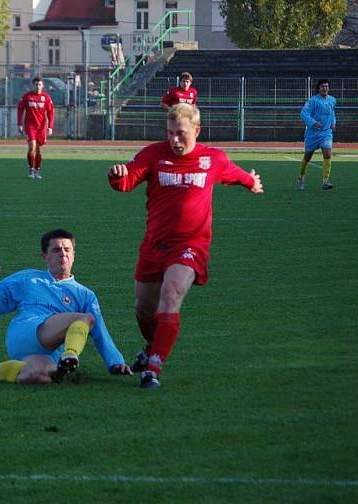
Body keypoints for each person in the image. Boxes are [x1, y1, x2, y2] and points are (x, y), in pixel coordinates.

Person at [107, 104, 263, 389]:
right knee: (144, 309)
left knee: (172, 292)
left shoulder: (212, 158)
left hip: (191, 245)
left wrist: (251, 181)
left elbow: (236, 174)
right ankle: (151, 347)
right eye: (170, 133)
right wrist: (117, 175)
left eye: (181, 134)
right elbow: (127, 180)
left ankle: (153, 368)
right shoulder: (153, 154)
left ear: (197, 131)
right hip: (154, 245)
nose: (175, 140)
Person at [0, 228, 132, 385]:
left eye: (67, 249)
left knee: (36, 376)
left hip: (48, 353)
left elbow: (100, 332)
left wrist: (115, 362)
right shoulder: (29, 278)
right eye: (56, 250)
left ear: (74, 255)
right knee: (85, 319)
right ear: (44, 256)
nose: (63, 254)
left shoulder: (85, 294)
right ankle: (70, 356)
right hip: (26, 331)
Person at [297, 79, 337, 190]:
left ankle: (325, 181)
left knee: (327, 154)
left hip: (326, 132)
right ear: (318, 88)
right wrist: (314, 123)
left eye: (327, 86)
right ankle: (301, 177)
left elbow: (332, 112)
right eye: (323, 86)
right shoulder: (313, 101)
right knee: (308, 156)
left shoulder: (333, 100)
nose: (325, 88)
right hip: (313, 134)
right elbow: (303, 114)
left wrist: (333, 122)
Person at [17, 77, 54, 179]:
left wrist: (50, 126)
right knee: (32, 146)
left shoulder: (46, 97)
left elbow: (51, 113)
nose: (38, 86)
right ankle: (31, 170)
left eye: (40, 85)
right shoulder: (27, 96)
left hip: (41, 127)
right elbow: (20, 110)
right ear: (32, 85)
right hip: (30, 126)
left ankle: (37, 171)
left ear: (43, 86)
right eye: (36, 84)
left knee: (38, 150)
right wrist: (19, 124)